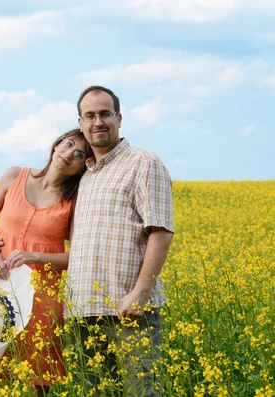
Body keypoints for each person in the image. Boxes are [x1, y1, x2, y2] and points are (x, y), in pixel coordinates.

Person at [0, 128, 91, 397]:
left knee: (38, 378)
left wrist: (35, 257)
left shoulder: (74, 201)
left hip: (43, 294)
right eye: (67, 145)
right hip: (2, 286)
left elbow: (77, 256)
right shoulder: (14, 175)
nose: (69, 154)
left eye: (79, 154)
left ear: (82, 167)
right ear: (56, 146)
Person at [65, 86, 175, 396]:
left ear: (119, 118)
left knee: (142, 391)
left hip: (129, 309)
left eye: (104, 114)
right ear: (81, 121)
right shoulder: (83, 176)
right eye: (90, 115)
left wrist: (140, 292)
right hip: (83, 311)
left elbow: (161, 230)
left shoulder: (144, 162)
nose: (97, 121)